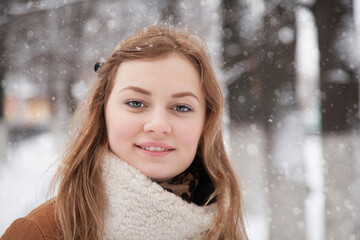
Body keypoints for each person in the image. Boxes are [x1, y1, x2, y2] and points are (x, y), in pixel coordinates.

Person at [1, 25, 248, 240]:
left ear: (206, 123)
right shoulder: (40, 233)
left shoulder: (225, 233)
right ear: (103, 113)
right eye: (136, 103)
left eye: (181, 107)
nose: (158, 125)